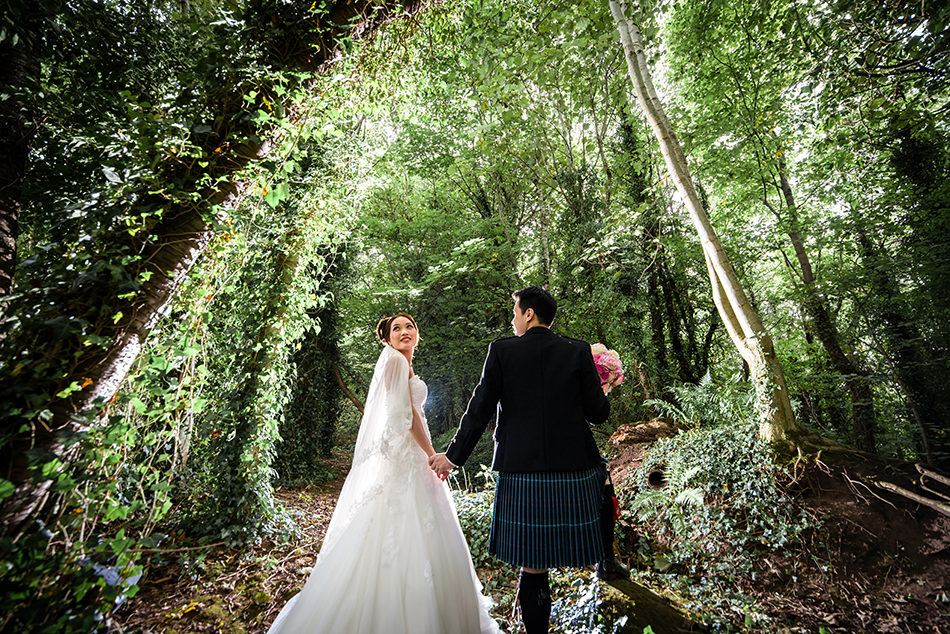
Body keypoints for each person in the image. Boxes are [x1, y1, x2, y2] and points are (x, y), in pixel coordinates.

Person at [266, 313, 501, 634]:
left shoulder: (400, 364)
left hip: (409, 456)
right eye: (397, 329)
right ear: (387, 338)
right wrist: (433, 454)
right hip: (407, 459)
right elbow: (406, 418)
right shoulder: (396, 363)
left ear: (418, 334)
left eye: (410, 326)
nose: (405, 331)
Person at [430, 286, 627, 634]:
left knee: (533, 565)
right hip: (574, 467)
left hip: (521, 469)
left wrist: (454, 456)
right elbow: (598, 414)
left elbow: (480, 410)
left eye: (515, 312)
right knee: (597, 505)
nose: (513, 319)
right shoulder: (577, 351)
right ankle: (606, 564)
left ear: (529, 314)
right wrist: (602, 390)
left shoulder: (502, 352)